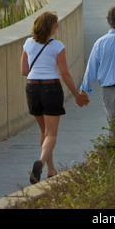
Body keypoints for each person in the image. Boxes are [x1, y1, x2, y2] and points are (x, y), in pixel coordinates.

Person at [21, 11, 89, 185]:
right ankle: (41, 162)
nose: (57, 26)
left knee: (44, 132)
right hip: (50, 88)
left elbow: (24, 71)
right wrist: (77, 95)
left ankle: (51, 171)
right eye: (55, 24)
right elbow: (65, 73)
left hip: (32, 88)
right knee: (51, 135)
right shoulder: (57, 46)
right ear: (49, 27)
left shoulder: (28, 43)